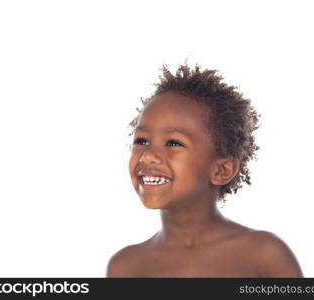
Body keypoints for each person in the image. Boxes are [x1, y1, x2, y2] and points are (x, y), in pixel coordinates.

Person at [106, 62, 303, 277]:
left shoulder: (264, 255)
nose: (148, 155)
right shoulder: (126, 267)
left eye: (173, 143)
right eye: (142, 141)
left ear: (222, 171)